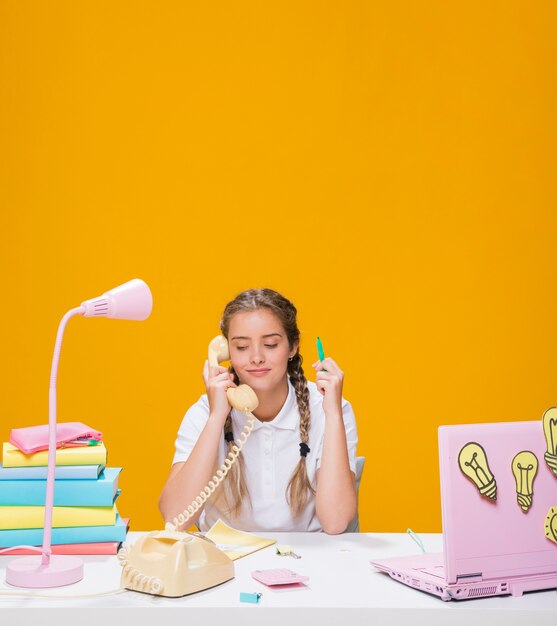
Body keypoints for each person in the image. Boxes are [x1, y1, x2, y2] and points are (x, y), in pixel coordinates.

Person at [159, 288, 358, 534]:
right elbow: (174, 519)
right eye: (242, 347)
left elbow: (336, 522)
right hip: (225, 558)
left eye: (270, 344)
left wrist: (334, 415)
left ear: (293, 347)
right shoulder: (204, 412)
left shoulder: (328, 408)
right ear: (226, 351)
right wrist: (216, 417)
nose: (256, 357)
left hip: (307, 558)